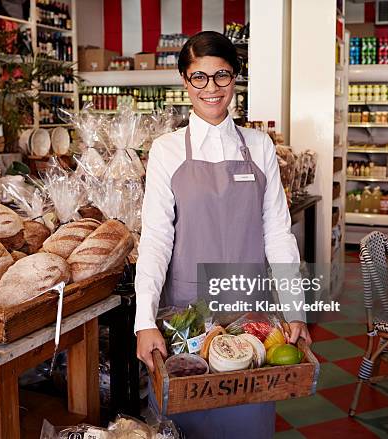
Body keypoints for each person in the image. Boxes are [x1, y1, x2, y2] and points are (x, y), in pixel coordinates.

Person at [134, 31, 312, 438]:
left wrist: (295, 309)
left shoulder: (260, 145)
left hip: (253, 314)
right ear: (184, 80)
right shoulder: (167, 150)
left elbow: (278, 234)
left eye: (222, 75)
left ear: (235, 79)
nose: (211, 88)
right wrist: (145, 321)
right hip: (186, 315)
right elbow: (156, 239)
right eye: (199, 76)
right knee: (187, 417)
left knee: (246, 415)